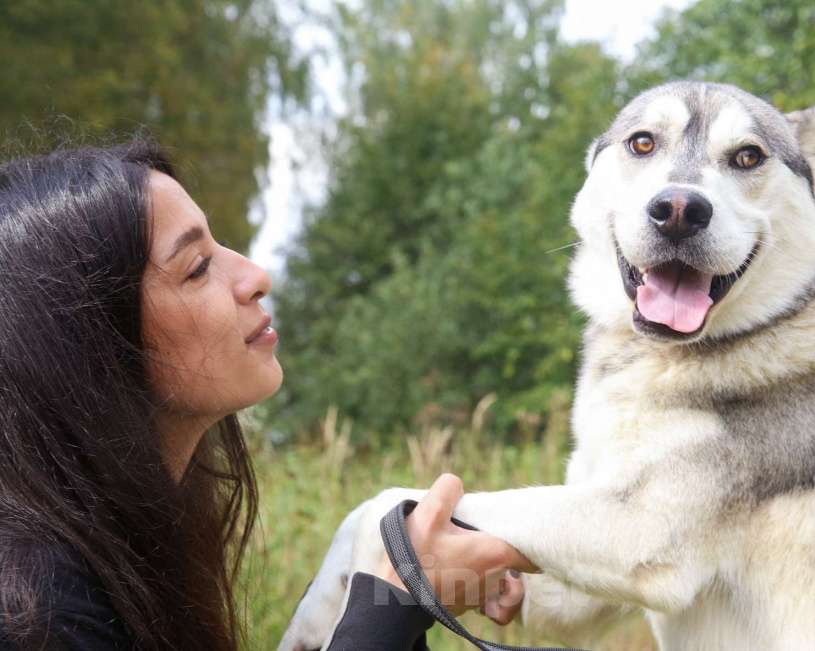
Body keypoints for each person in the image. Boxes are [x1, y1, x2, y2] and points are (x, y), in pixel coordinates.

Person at [0, 140, 532, 650]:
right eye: (198, 267)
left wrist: (403, 573)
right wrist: (392, 602)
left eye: (218, 245)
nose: (256, 276)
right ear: (93, 341)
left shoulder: (133, 544)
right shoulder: (32, 616)